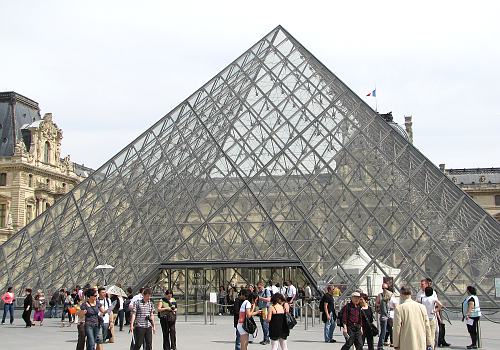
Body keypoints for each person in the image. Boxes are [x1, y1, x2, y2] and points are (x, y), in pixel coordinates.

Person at [392, 286, 432, 350]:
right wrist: (429, 342)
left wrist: (396, 344)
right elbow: (427, 326)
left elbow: (397, 328)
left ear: (401, 294)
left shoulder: (399, 308)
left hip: (406, 343)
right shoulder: (422, 307)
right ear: (411, 294)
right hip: (421, 342)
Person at [375, 283, 393, 350]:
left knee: (391, 329)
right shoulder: (380, 295)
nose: (384, 290)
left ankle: (392, 342)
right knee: (383, 331)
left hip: (390, 315)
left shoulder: (390, 295)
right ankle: (380, 346)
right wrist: (380, 306)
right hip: (383, 316)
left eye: (385, 288)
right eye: (383, 288)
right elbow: (376, 304)